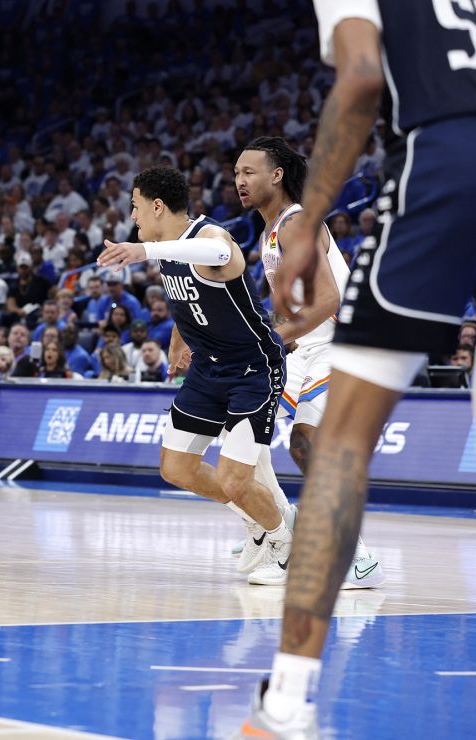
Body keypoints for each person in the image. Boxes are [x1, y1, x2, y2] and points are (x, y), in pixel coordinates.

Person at [236, 3, 476, 736]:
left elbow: (362, 78)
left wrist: (309, 219)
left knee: (339, 446)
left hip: (445, 163)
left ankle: (285, 702)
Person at [98, 166, 293, 588]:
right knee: (176, 468)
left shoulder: (209, 237)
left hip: (252, 368)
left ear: (156, 206)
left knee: (232, 478)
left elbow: (226, 258)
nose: (132, 219)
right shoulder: (168, 249)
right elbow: (186, 301)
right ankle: (257, 522)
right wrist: (176, 342)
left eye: (134, 208)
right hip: (207, 367)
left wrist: (142, 253)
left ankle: (282, 540)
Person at [235, 135, 384, 589]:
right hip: (305, 348)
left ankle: (356, 554)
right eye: (237, 173)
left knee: (304, 445)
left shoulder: (298, 222)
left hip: (339, 344)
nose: (238, 181)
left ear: (276, 175)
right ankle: (280, 529)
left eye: (249, 172)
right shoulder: (270, 231)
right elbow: (289, 308)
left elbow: (327, 300)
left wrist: (274, 340)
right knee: (243, 432)